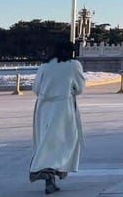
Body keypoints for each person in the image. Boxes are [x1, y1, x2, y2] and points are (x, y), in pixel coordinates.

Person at [29, 41, 85, 194]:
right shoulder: (73, 65)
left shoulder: (44, 66)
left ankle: (47, 171)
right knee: (66, 139)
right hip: (63, 106)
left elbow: (36, 88)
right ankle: (54, 169)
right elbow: (79, 88)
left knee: (46, 139)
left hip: (43, 107)